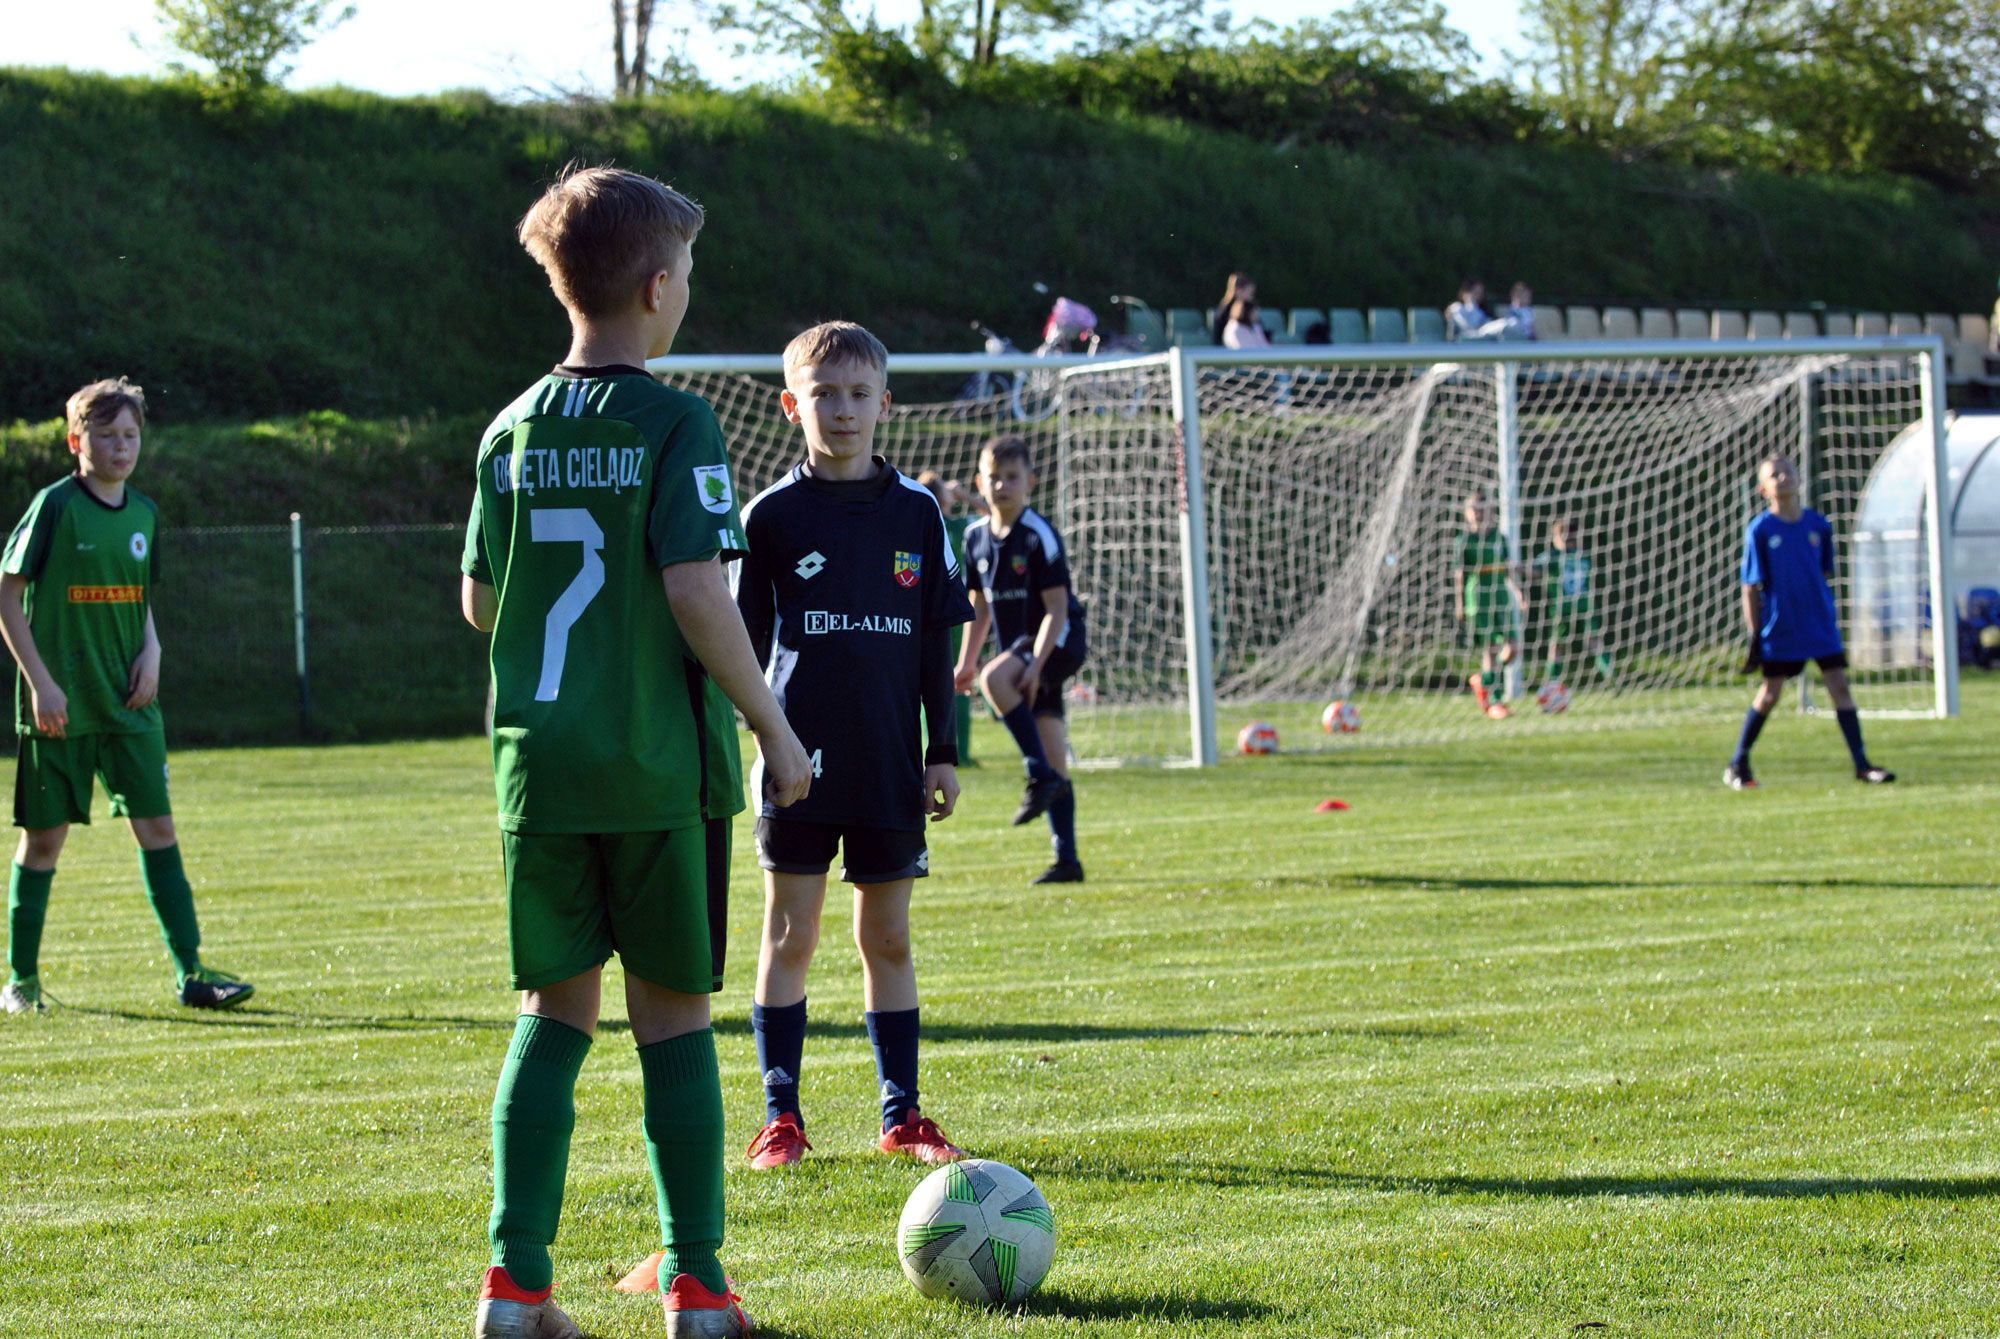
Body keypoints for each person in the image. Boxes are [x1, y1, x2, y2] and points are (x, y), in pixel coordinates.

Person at [460, 165, 812, 1339]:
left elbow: (478, 600)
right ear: (657, 289)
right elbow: (697, 593)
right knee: (670, 1023)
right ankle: (699, 1290)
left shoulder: (509, 427)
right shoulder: (675, 419)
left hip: (539, 770)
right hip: (656, 769)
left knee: (550, 1014)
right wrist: (772, 724)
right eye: (692, 274)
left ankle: (515, 1291)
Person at [731, 321, 975, 1173]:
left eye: (859, 394)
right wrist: (765, 738)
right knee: (791, 935)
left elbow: (934, 642)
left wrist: (942, 750)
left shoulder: (919, 511)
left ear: (885, 404)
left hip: (888, 764)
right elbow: (740, 647)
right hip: (796, 765)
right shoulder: (769, 518)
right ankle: (780, 1116)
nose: (842, 411)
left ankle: (902, 1114)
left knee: (891, 940)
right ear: (793, 405)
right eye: (824, 395)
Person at [0, 377, 254, 1017]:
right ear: (75, 441)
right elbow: (7, 594)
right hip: (62, 707)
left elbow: (139, 598)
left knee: (158, 829)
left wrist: (154, 651)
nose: (121, 446)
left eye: (131, 435)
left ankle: (192, 972)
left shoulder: (144, 513)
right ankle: (21, 983)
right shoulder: (55, 506)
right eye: (107, 435)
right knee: (45, 841)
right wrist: (41, 683)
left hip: (130, 704)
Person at [955, 436, 1087, 883]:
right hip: (1023, 650)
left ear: (1030, 482)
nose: (1002, 485)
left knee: (997, 681)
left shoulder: (1037, 534)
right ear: (980, 481)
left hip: (1059, 640)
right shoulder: (975, 538)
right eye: (993, 476)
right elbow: (979, 606)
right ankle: (1067, 860)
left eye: (1012, 477)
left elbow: (1058, 609)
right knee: (1056, 757)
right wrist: (966, 662)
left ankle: (1036, 775)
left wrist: (1033, 667)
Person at [1725, 455, 1894, 790]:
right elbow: (1750, 585)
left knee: (1839, 686)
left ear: (1800, 479)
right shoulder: (1761, 530)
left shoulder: (1818, 526)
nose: (1784, 478)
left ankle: (1862, 765)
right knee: (1771, 693)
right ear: (1763, 489)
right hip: (1781, 627)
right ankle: (1738, 763)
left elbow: (1822, 573)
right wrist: (1755, 634)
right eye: (1775, 475)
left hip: (1819, 625)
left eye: (1788, 472)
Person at [919, 469, 981, 765]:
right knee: (954, 679)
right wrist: (966, 495)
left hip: (928, 610)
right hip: (953, 613)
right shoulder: (953, 526)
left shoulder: (925, 523)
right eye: (945, 487)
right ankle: (960, 752)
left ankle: (933, 746)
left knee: (929, 679)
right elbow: (993, 514)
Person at [1454, 492, 1524, 719]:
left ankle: (1483, 682)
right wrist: (1461, 603)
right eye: (1473, 509)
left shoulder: (1499, 537)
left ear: (1490, 511)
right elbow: (1460, 574)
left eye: (1482, 508)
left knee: (1513, 648)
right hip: (1479, 598)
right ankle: (1495, 700)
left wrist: (1519, 594)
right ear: (1467, 513)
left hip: (1501, 597)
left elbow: (1508, 568)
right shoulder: (1465, 541)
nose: (1478, 513)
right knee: (1491, 650)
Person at [1533, 516, 1612, 691]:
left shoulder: (1552, 557)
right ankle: (1610, 675)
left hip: (1563, 607)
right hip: (1585, 604)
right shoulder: (1583, 556)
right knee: (1594, 641)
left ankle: (1553, 683)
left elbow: (1535, 572)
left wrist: (1517, 568)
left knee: (1557, 646)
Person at [1212, 272, 1255, 344]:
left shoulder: (1249, 308)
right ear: (1239, 290)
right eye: (1250, 292)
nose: (1252, 296)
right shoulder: (1225, 310)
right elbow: (1218, 337)